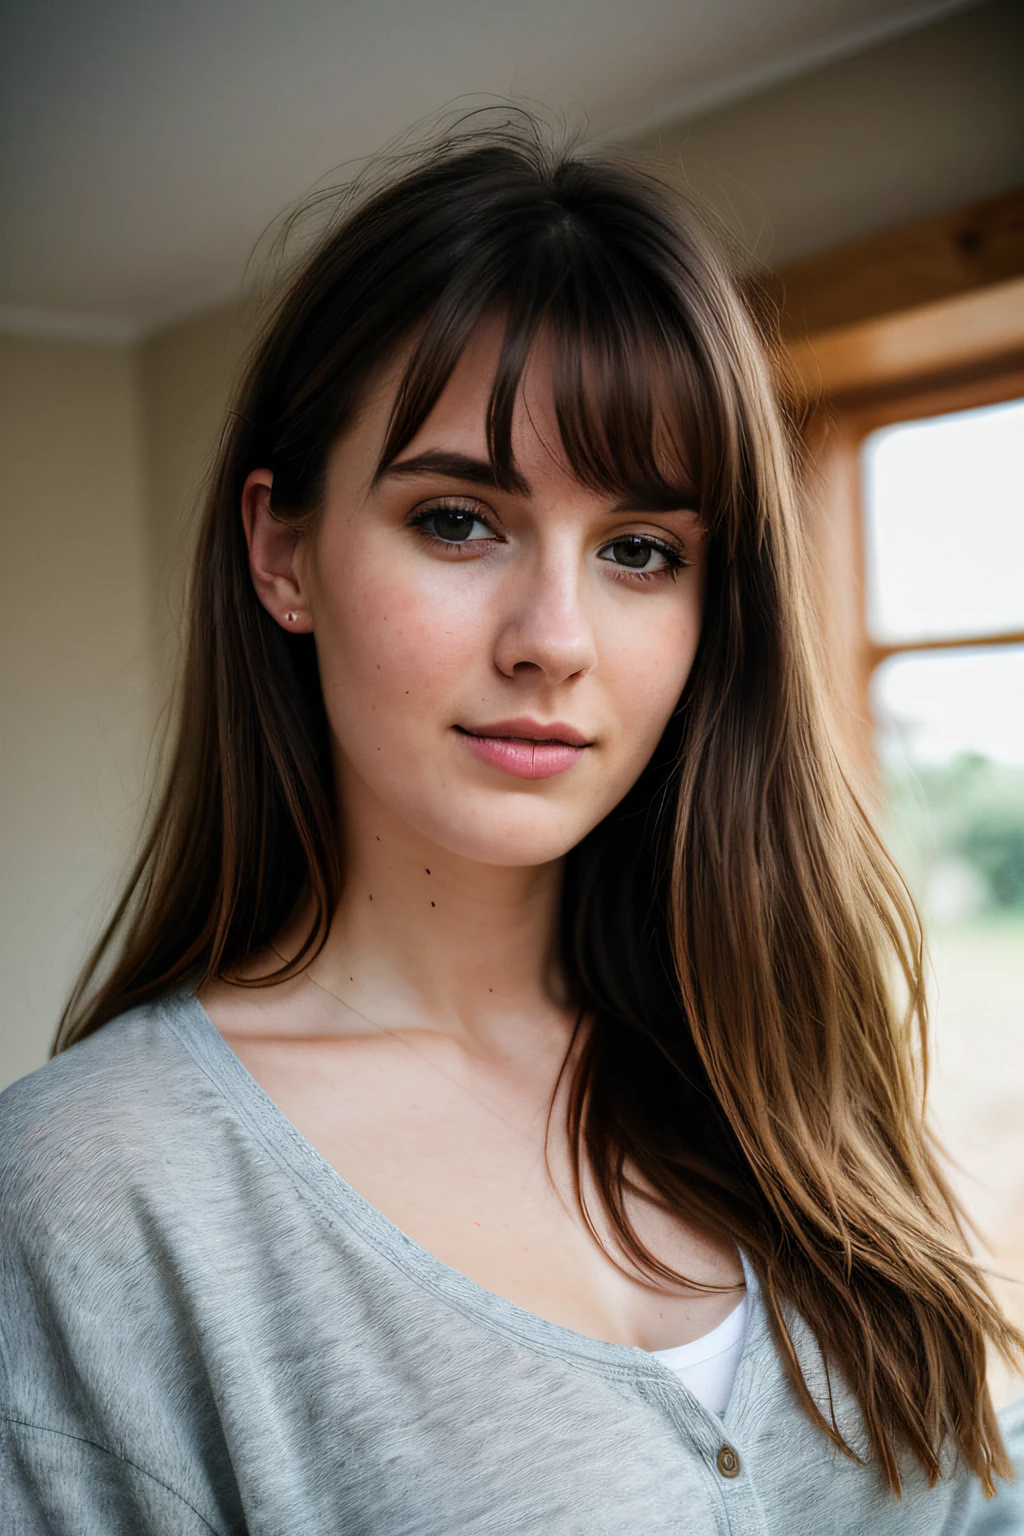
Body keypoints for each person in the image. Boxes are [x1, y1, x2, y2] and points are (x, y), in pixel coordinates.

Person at [1, 115, 1021, 1534]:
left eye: (640, 552)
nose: (555, 638)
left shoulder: (775, 1057)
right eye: (459, 522)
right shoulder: (94, 1193)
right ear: (282, 550)